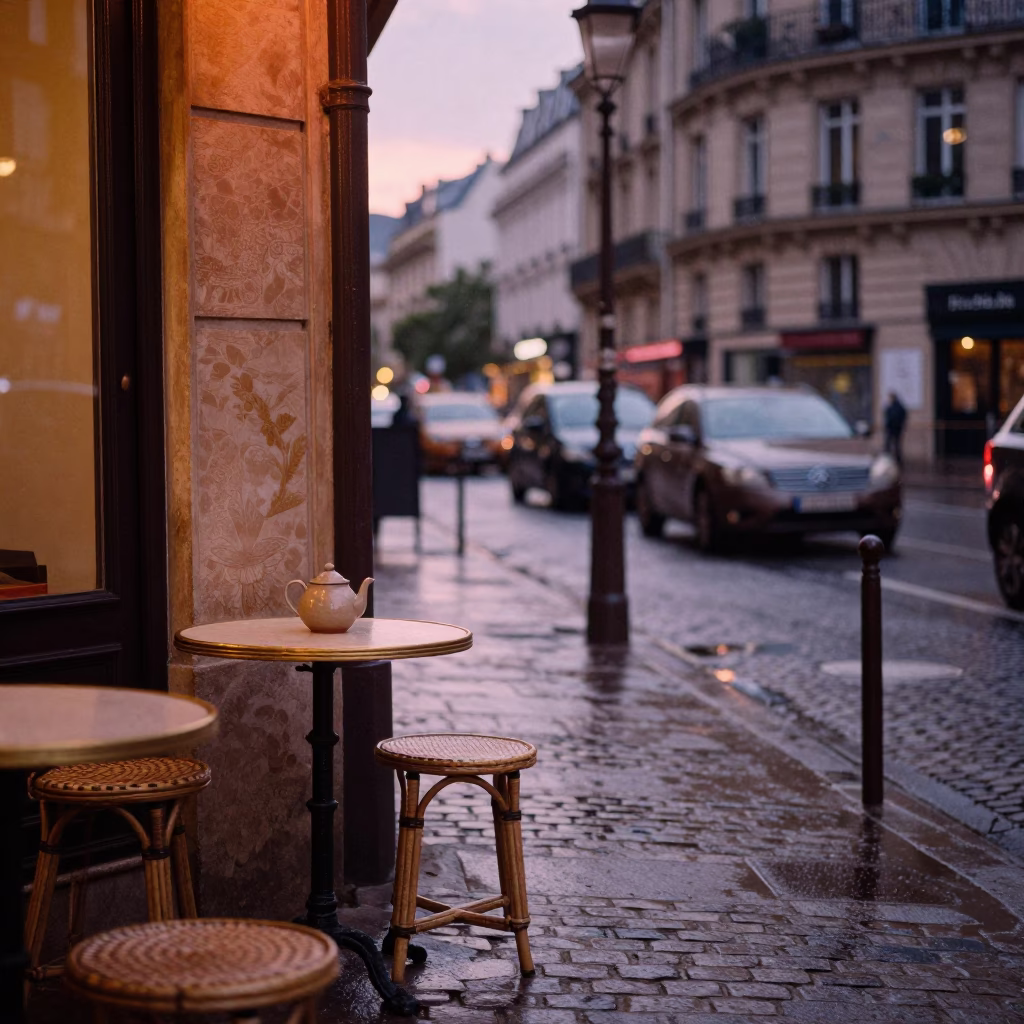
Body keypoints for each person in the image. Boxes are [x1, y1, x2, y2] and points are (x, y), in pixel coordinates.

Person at [883, 391, 907, 466]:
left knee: (894, 445)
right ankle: (889, 460)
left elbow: (899, 417)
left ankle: (894, 461)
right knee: (891, 445)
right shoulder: (892, 406)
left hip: (895, 428)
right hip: (893, 428)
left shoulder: (897, 407)